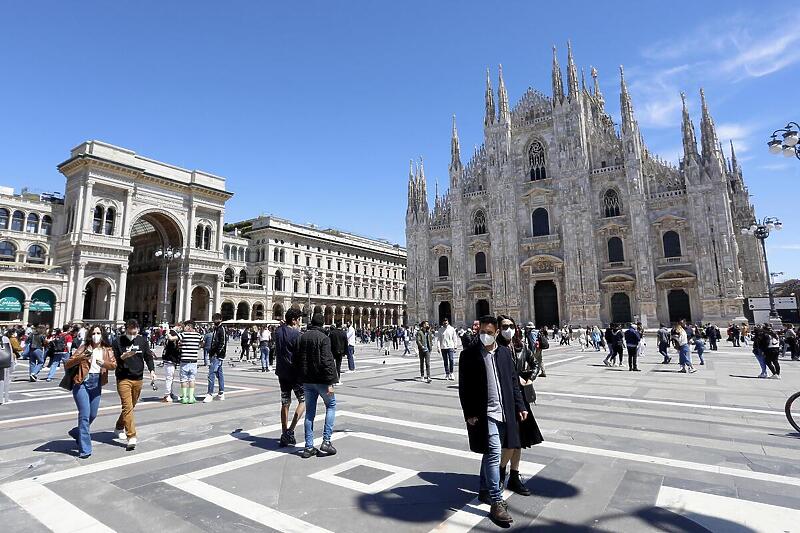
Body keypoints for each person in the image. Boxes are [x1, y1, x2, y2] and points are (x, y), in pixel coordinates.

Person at [458, 315, 527, 525]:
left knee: (490, 451)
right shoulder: (469, 355)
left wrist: (520, 405)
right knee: (494, 453)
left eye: (489, 332)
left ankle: (483, 489)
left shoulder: (504, 353)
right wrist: (469, 413)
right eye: (482, 333)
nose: (485, 336)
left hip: (504, 411)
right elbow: (464, 387)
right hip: (485, 413)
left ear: (496, 333)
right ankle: (497, 501)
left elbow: (513, 381)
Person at [497, 316, 543, 496]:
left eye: (511, 326)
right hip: (506, 399)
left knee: (519, 441)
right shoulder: (496, 348)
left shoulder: (521, 346)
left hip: (522, 398)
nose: (508, 329)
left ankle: (514, 476)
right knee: (511, 440)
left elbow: (535, 363)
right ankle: (500, 472)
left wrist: (529, 378)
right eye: (504, 326)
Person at [65, 325, 117, 458]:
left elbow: (113, 365)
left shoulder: (107, 349)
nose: (96, 335)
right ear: (90, 335)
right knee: (84, 415)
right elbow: (68, 363)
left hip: (97, 382)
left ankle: (77, 432)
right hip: (82, 382)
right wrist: (81, 357)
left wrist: (103, 364)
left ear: (102, 335)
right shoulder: (83, 348)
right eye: (94, 333)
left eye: (98, 333)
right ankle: (85, 449)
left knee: (92, 415)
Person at [293, 313, 338, 458]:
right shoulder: (324, 338)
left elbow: (297, 359)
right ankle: (326, 441)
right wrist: (331, 382)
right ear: (322, 323)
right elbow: (327, 361)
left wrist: (301, 376)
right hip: (322, 381)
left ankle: (308, 447)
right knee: (331, 406)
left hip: (307, 381)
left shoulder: (302, 337)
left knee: (310, 413)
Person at [112, 319, 156, 451]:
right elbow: (113, 361)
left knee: (131, 406)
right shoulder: (117, 342)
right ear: (126, 330)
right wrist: (122, 357)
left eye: (135, 331)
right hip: (123, 378)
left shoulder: (142, 340)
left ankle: (119, 426)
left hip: (138, 378)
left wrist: (152, 370)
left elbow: (148, 356)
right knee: (127, 406)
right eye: (130, 332)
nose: (133, 334)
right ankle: (131, 436)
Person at [275, 308, 305, 447]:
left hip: (282, 373)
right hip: (295, 373)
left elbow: (282, 329)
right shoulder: (297, 334)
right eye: (298, 319)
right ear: (293, 320)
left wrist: (283, 325)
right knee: (303, 401)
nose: (299, 322)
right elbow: (301, 355)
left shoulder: (278, 331)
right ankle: (290, 431)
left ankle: (283, 432)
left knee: (285, 402)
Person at [169, 320, 203, 404]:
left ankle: (184, 397)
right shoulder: (199, 335)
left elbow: (171, 338)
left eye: (185, 326)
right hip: (194, 361)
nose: (184, 328)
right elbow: (202, 344)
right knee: (192, 379)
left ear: (189, 326)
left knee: (184, 380)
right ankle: (191, 397)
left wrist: (168, 332)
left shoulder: (183, 334)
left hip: (184, 361)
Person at [205, 313, 227, 402]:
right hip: (215, 354)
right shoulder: (216, 329)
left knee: (211, 374)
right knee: (219, 373)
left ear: (220, 319)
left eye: (216, 319)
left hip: (217, 355)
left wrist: (217, 353)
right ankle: (221, 393)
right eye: (214, 319)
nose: (214, 321)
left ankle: (210, 394)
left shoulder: (221, 329)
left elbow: (223, 342)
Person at [160, 323, 182, 403]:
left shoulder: (171, 332)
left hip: (169, 358)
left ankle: (170, 393)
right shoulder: (173, 333)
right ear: (179, 327)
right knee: (169, 377)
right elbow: (171, 342)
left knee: (170, 377)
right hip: (170, 358)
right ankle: (167, 395)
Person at [0, 330, 15, 405]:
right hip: (2, 361)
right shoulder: (5, 339)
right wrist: (12, 362)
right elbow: (10, 352)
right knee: (2, 380)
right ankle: (2, 399)